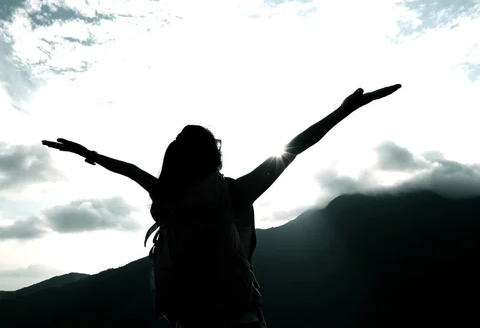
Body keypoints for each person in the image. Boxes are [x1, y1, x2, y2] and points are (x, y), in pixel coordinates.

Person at [42, 84, 402, 328]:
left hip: (186, 318)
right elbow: (296, 146)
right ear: (213, 156)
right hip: (237, 319)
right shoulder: (235, 194)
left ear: (175, 158)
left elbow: (129, 169)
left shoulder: (165, 195)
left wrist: (88, 154)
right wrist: (344, 110)